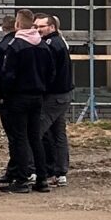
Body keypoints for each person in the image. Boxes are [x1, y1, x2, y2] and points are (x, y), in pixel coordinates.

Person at [0, 11, 48, 192]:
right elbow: (51, 72)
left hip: (18, 97)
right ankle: (42, 179)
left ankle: (21, 179)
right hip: (38, 96)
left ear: (17, 24)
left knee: (19, 138)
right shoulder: (42, 45)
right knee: (35, 137)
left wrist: (4, 94)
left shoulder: (15, 46)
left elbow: (8, 74)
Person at [39, 14, 75, 185]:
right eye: (36, 27)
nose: (38, 30)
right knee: (58, 133)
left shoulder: (51, 45)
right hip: (64, 94)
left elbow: (49, 73)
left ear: (52, 27)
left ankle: (41, 171)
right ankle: (60, 172)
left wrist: (41, 88)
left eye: (42, 27)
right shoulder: (60, 42)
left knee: (38, 131)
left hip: (54, 96)